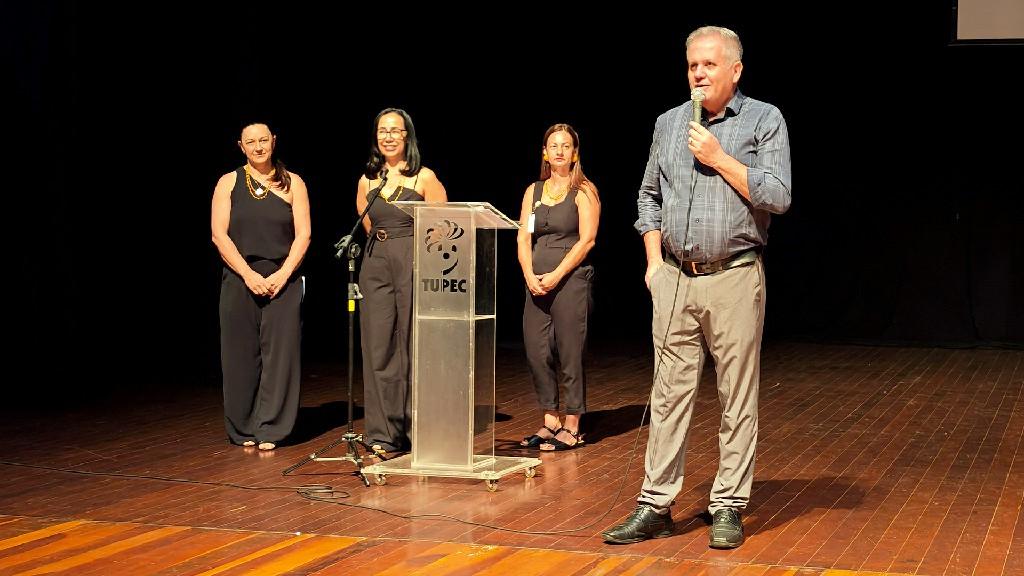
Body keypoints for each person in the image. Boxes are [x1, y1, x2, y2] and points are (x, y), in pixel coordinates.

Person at [601, 26, 792, 549]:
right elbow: (647, 196)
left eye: (709, 64)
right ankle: (655, 505)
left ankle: (728, 505)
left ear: (735, 70)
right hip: (675, 278)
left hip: (734, 275)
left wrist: (718, 157)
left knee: (736, 397)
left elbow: (778, 195)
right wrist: (653, 264)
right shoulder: (668, 123)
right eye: (692, 66)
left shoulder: (763, 119)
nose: (699, 74)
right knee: (667, 396)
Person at [211, 122, 311, 452]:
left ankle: (272, 427)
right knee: (239, 354)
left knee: (281, 356)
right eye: (251, 142)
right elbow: (219, 235)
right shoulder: (228, 182)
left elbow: (303, 235)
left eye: (264, 140)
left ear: (274, 142)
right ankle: (243, 427)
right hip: (240, 277)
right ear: (241, 146)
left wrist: (283, 275)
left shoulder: (294, 182)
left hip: (283, 277)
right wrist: (248, 275)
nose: (258, 147)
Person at [356, 108, 447, 455]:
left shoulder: (424, 177)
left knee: (413, 343)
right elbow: (367, 223)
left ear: (407, 135)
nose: (388, 136)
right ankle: (383, 432)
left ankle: (417, 428)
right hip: (376, 261)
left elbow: (443, 227)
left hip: (414, 260)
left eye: (395, 130)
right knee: (378, 345)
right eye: (383, 130)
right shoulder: (368, 179)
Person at [517, 123, 600, 452]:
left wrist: (556, 274)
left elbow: (587, 240)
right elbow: (523, 237)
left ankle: (573, 424)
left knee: (569, 352)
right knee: (536, 351)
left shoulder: (584, 190)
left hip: (570, 281)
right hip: (536, 282)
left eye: (566, 146)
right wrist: (529, 273)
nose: (560, 151)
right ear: (545, 153)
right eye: (554, 146)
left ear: (575, 153)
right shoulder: (533, 191)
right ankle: (550, 419)